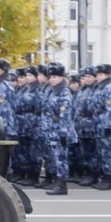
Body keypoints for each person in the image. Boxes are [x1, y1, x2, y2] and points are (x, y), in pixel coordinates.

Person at [42, 62, 75, 196]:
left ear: (62, 77)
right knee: (55, 158)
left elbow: (65, 115)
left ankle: (62, 185)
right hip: (51, 129)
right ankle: (57, 181)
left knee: (61, 158)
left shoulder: (64, 93)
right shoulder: (51, 90)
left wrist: (63, 133)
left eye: (55, 76)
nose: (52, 79)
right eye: (50, 77)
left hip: (60, 130)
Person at [90, 63, 111, 190]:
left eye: (101, 74)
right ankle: (103, 177)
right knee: (101, 152)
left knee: (107, 152)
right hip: (98, 122)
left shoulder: (109, 88)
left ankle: (109, 180)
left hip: (105, 123)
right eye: (97, 74)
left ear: (107, 75)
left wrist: (108, 126)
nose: (98, 76)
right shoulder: (99, 87)